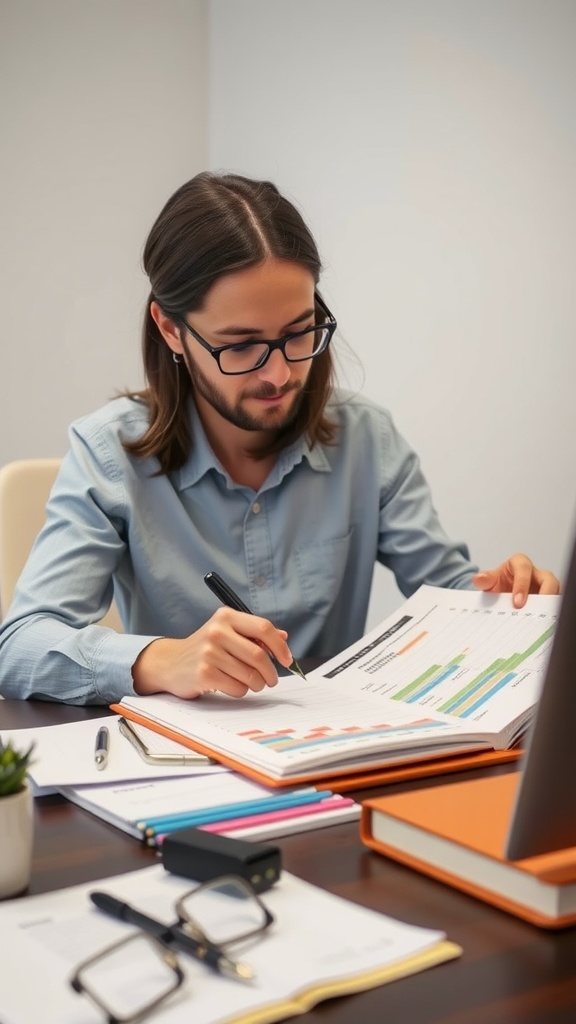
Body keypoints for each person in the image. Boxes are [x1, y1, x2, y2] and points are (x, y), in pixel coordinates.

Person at [0, 172, 560, 705]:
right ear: (171, 329)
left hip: (336, 761)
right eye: (240, 345)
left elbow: (450, 591)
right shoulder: (107, 453)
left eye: (299, 333)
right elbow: (20, 645)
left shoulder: (367, 438)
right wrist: (163, 660)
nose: (278, 375)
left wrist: (507, 603)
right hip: (182, 768)